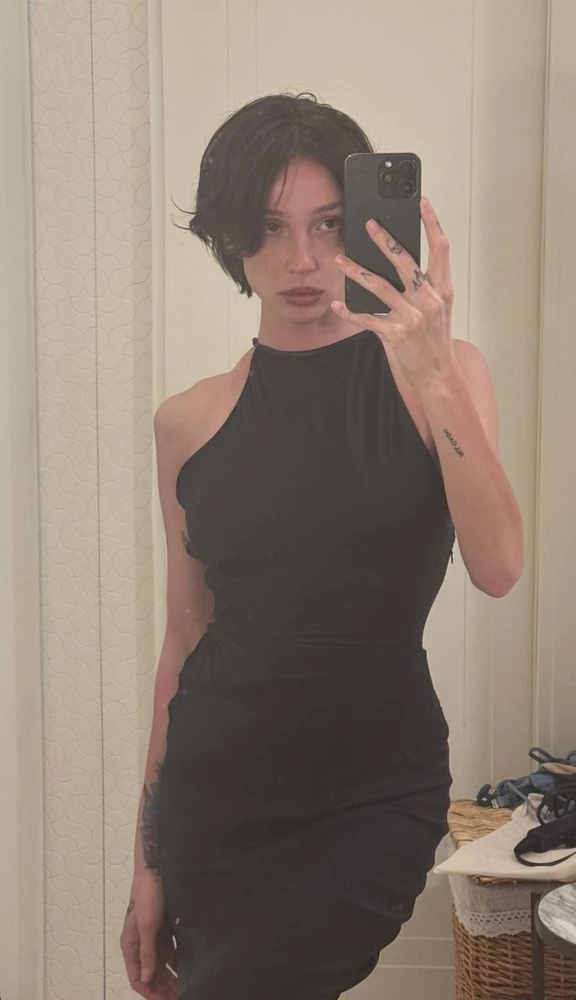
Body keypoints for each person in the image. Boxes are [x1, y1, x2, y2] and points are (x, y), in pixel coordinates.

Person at [121, 91, 456, 1000]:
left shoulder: (435, 378)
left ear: (366, 229)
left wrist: (435, 367)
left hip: (376, 793)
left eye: (328, 224)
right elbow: (187, 638)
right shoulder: (187, 422)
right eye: (269, 227)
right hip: (219, 803)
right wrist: (148, 863)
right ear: (230, 237)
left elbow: (501, 567)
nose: (301, 260)